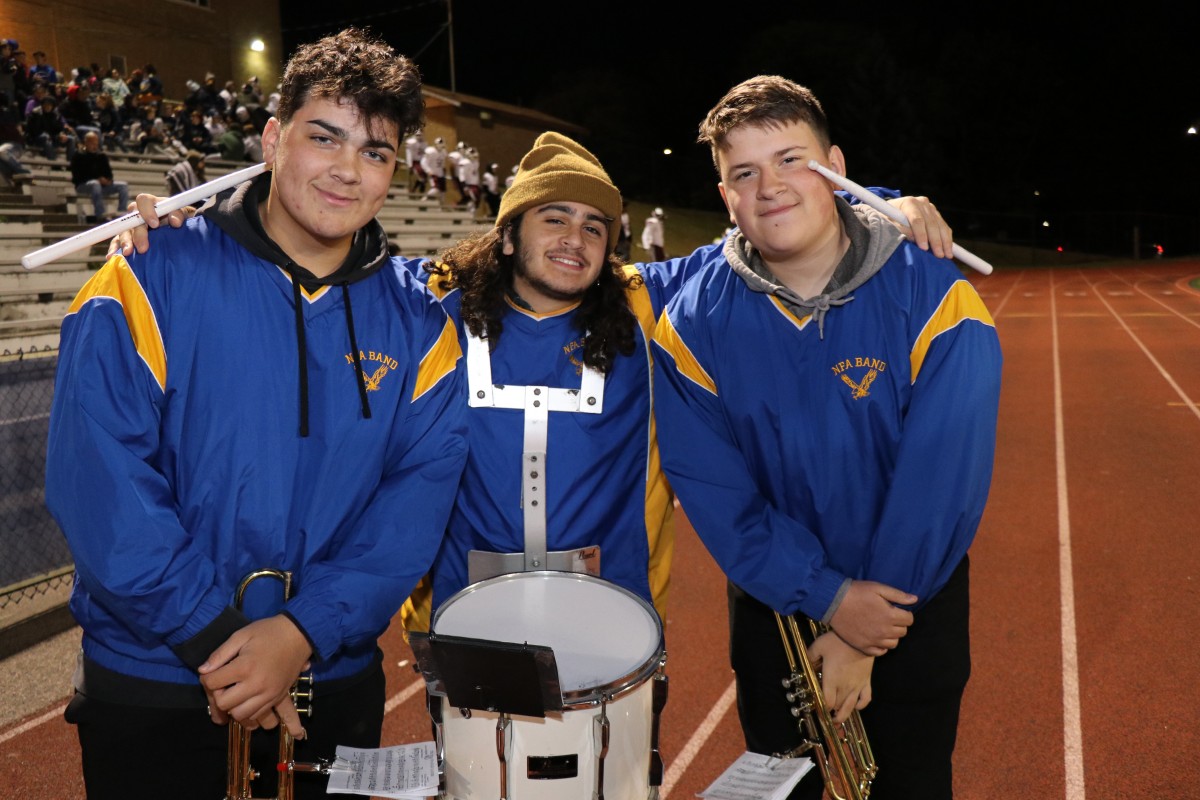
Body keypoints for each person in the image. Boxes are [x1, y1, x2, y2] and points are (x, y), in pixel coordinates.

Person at [46, 28, 468, 800]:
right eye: (324, 137)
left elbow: (413, 509)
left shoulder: (422, 327)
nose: (347, 170)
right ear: (273, 139)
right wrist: (221, 640)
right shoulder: (149, 270)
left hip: (331, 680)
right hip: (154, 677)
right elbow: (99, 478)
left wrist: (301, 631)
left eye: (375, 152)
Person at [650, 75, 1002, 800]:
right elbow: (718, 496)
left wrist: (861, 627)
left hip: (913, 611)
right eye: (742, 173)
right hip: (777, 613)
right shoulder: (689, 324)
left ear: (835, 169)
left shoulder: (937, 293)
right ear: (725, 197)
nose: (768, 187)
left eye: (790, 161)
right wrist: (829, 597)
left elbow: (941, 482)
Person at [70, 130, 129, 221]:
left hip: (102, 185)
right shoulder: (78, 156)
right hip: (83, 185)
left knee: (123, 186)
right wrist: (97, 179)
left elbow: (109, 173)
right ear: (86, 143)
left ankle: (121, 213)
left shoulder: (101, 156)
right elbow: (77, 176)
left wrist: (107, 180)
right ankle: (100, 214)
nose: (95, 146)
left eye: (96, 143)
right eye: (92, 143)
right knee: (95, 184)